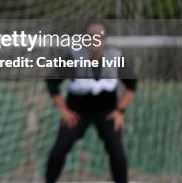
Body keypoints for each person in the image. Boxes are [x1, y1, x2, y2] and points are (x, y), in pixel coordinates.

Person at [45, 22, 136, 183]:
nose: (94, 40)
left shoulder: (115, 57)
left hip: (107, 112)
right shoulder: (74, 57)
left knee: (117, 152)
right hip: (77, 111)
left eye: (98, 37)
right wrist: (64, 111)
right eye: (90, 36)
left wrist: (120, 111)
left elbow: (131, 84)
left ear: (105, 39)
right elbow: (51, 81)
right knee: (59, 149)